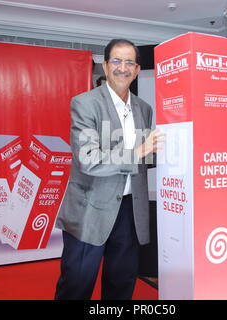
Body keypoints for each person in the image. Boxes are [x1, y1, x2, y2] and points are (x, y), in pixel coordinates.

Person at [54, 39, 164, 300]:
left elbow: (145, 159)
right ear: (105, 65)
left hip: (130, 212)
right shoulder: (85, 103)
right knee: (76, 286)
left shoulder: (144, 109)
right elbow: (88, 159)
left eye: (129, 62)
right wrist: (138, 151)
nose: (122, 68)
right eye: (116, 61)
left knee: (121, 286)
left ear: (137, 69)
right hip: (90, 209)